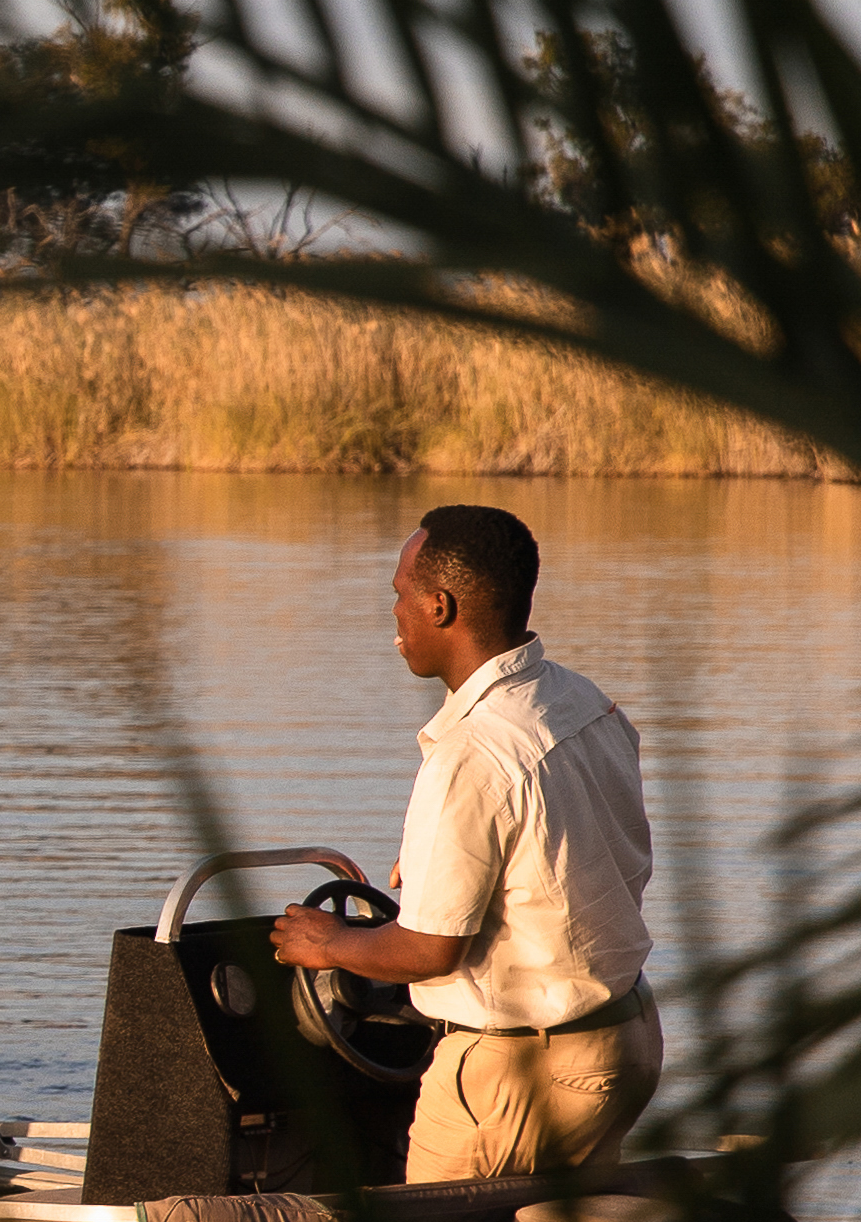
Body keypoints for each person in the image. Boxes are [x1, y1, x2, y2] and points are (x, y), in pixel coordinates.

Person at [266, 503, 660, 1184]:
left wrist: (328, 943)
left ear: (441, 605)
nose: (394, 612)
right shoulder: (581, 700)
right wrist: (438, 868)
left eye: (399, 594)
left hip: (526, 1073)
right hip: (621, 1041)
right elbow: (574, 853)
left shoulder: (473, 751)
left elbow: (428, 949)